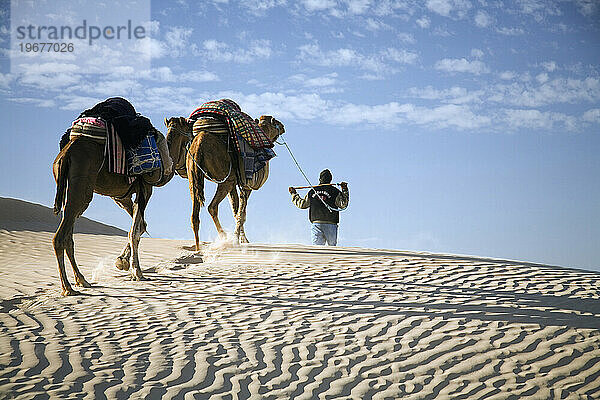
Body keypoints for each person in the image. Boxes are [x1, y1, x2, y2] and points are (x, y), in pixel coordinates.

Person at [289, 169, 349, 246]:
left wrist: (293, 194)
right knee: (332, 249)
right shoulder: (335, 191)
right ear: (330, 179)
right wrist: (345, 190)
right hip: (331, 224)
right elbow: (343, 204)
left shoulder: (312, 191)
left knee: (318, 249)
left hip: (316, 224)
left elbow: (302, 204)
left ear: (320, 179)